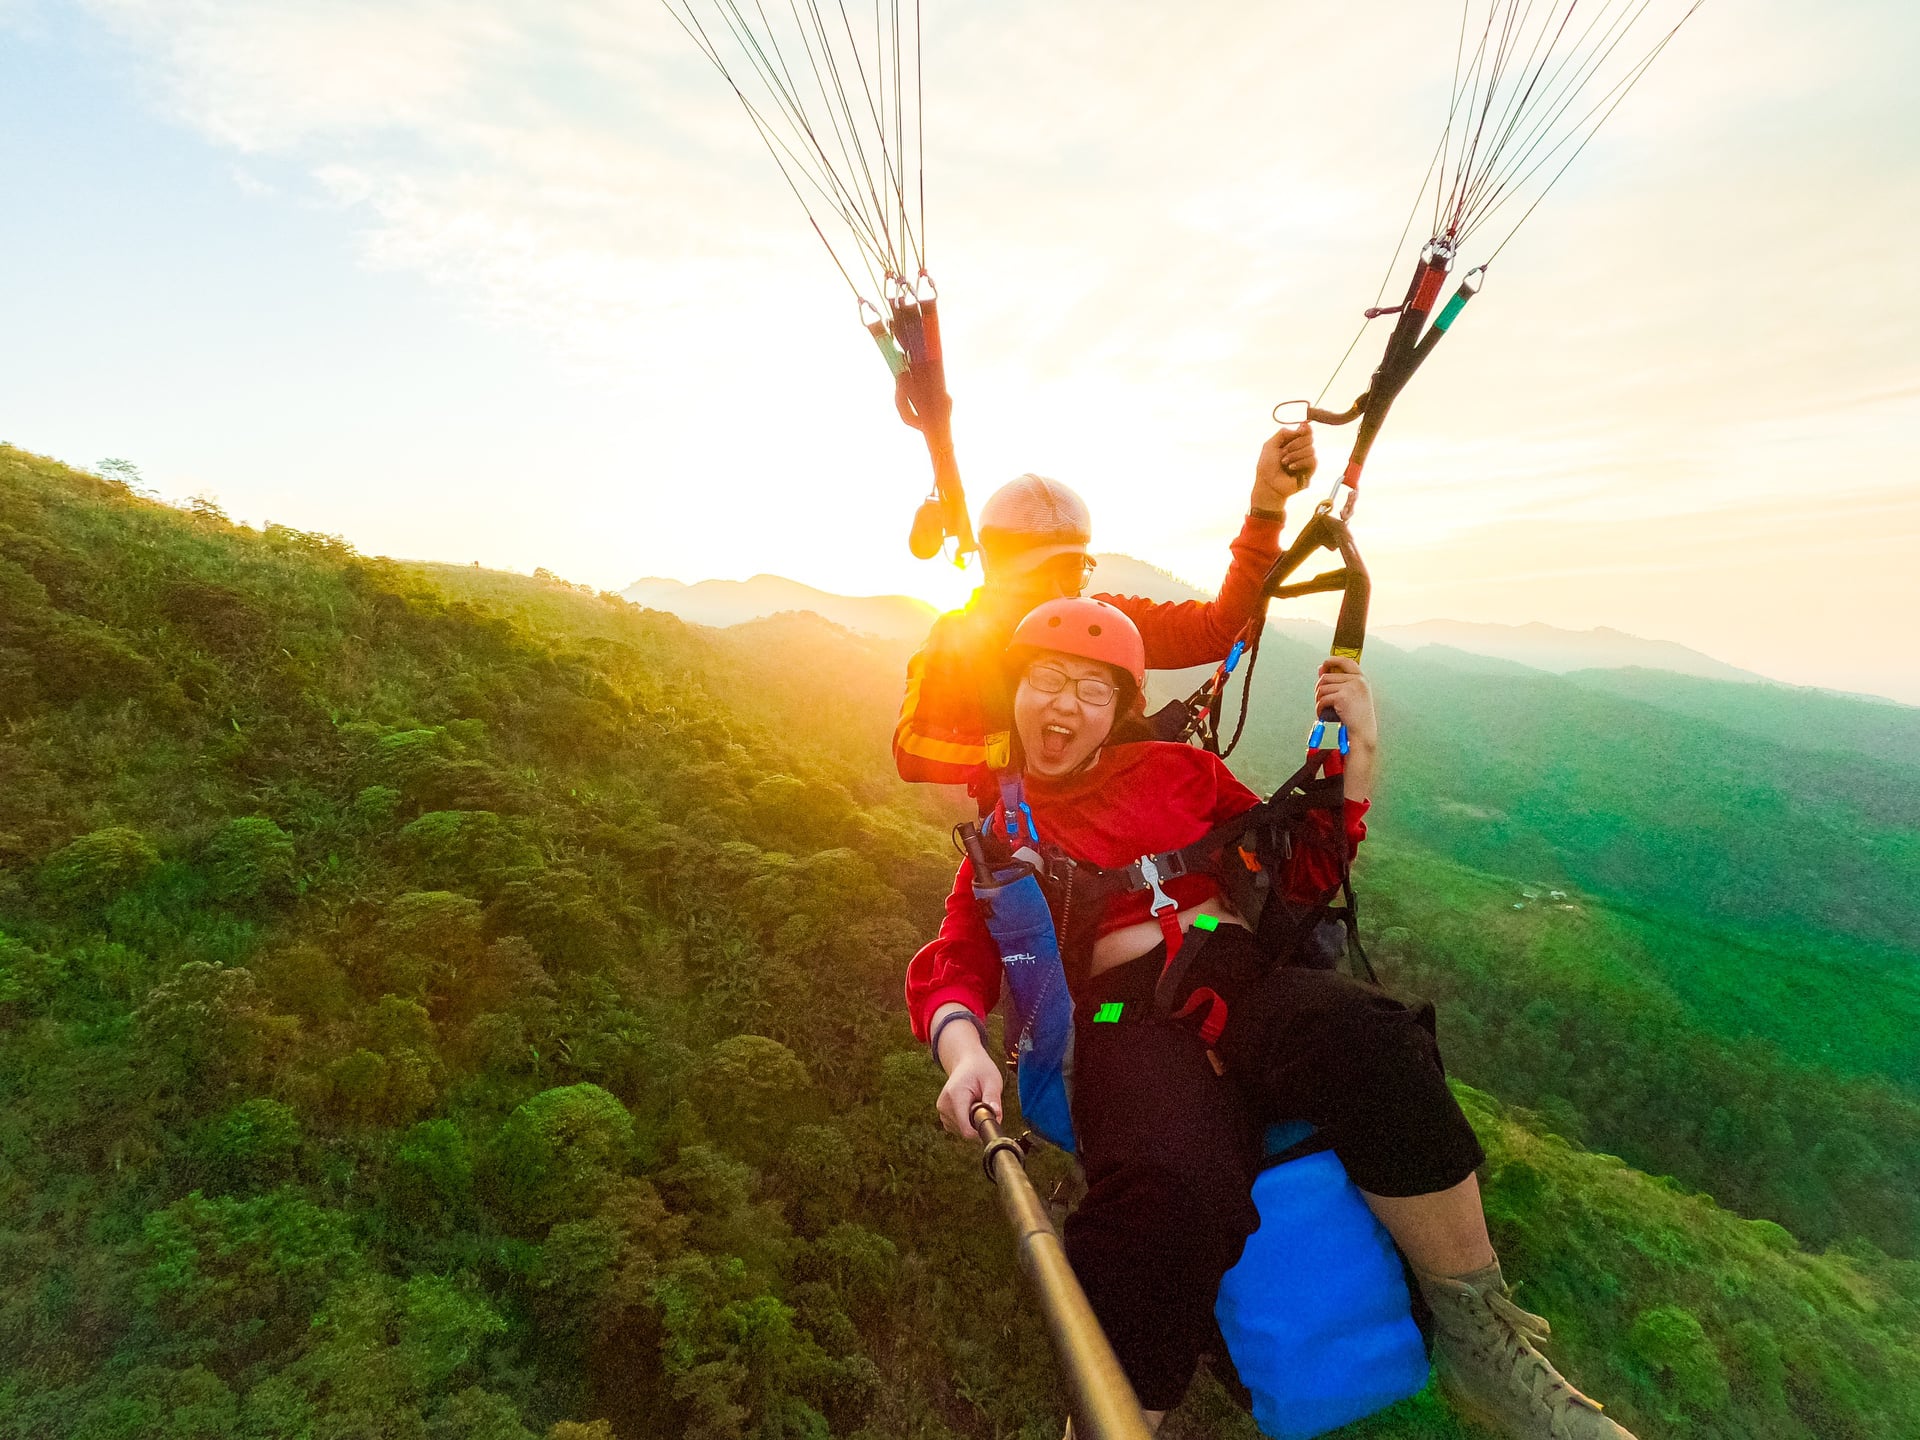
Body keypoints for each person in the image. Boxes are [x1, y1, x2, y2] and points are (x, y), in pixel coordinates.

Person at [903, 599, 1637, 1440]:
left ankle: (1484, 1339)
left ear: (1119, 711)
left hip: (1242, 974)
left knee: (1377, 1040)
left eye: (1092, 692)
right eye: (1046, 680)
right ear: (1014, 693)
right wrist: (964, 1053)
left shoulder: (1182, 774)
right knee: (1169, 1184)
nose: (1066, 706)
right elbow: (953, 963)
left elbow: (1296, 864)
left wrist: (1356, 752)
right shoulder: (1005, 838)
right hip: (1125, 1017)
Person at [892, 425, 1317, 795]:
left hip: (1132, 824)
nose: (1059, 592)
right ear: (994, 570)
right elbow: (911, 749)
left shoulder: (1105, 623)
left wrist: (1266, 505)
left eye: (1073, 571)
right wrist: (1032, 752)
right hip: (1033, 840)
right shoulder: (960, 638)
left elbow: (1221, 631)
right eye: (1039, 577)